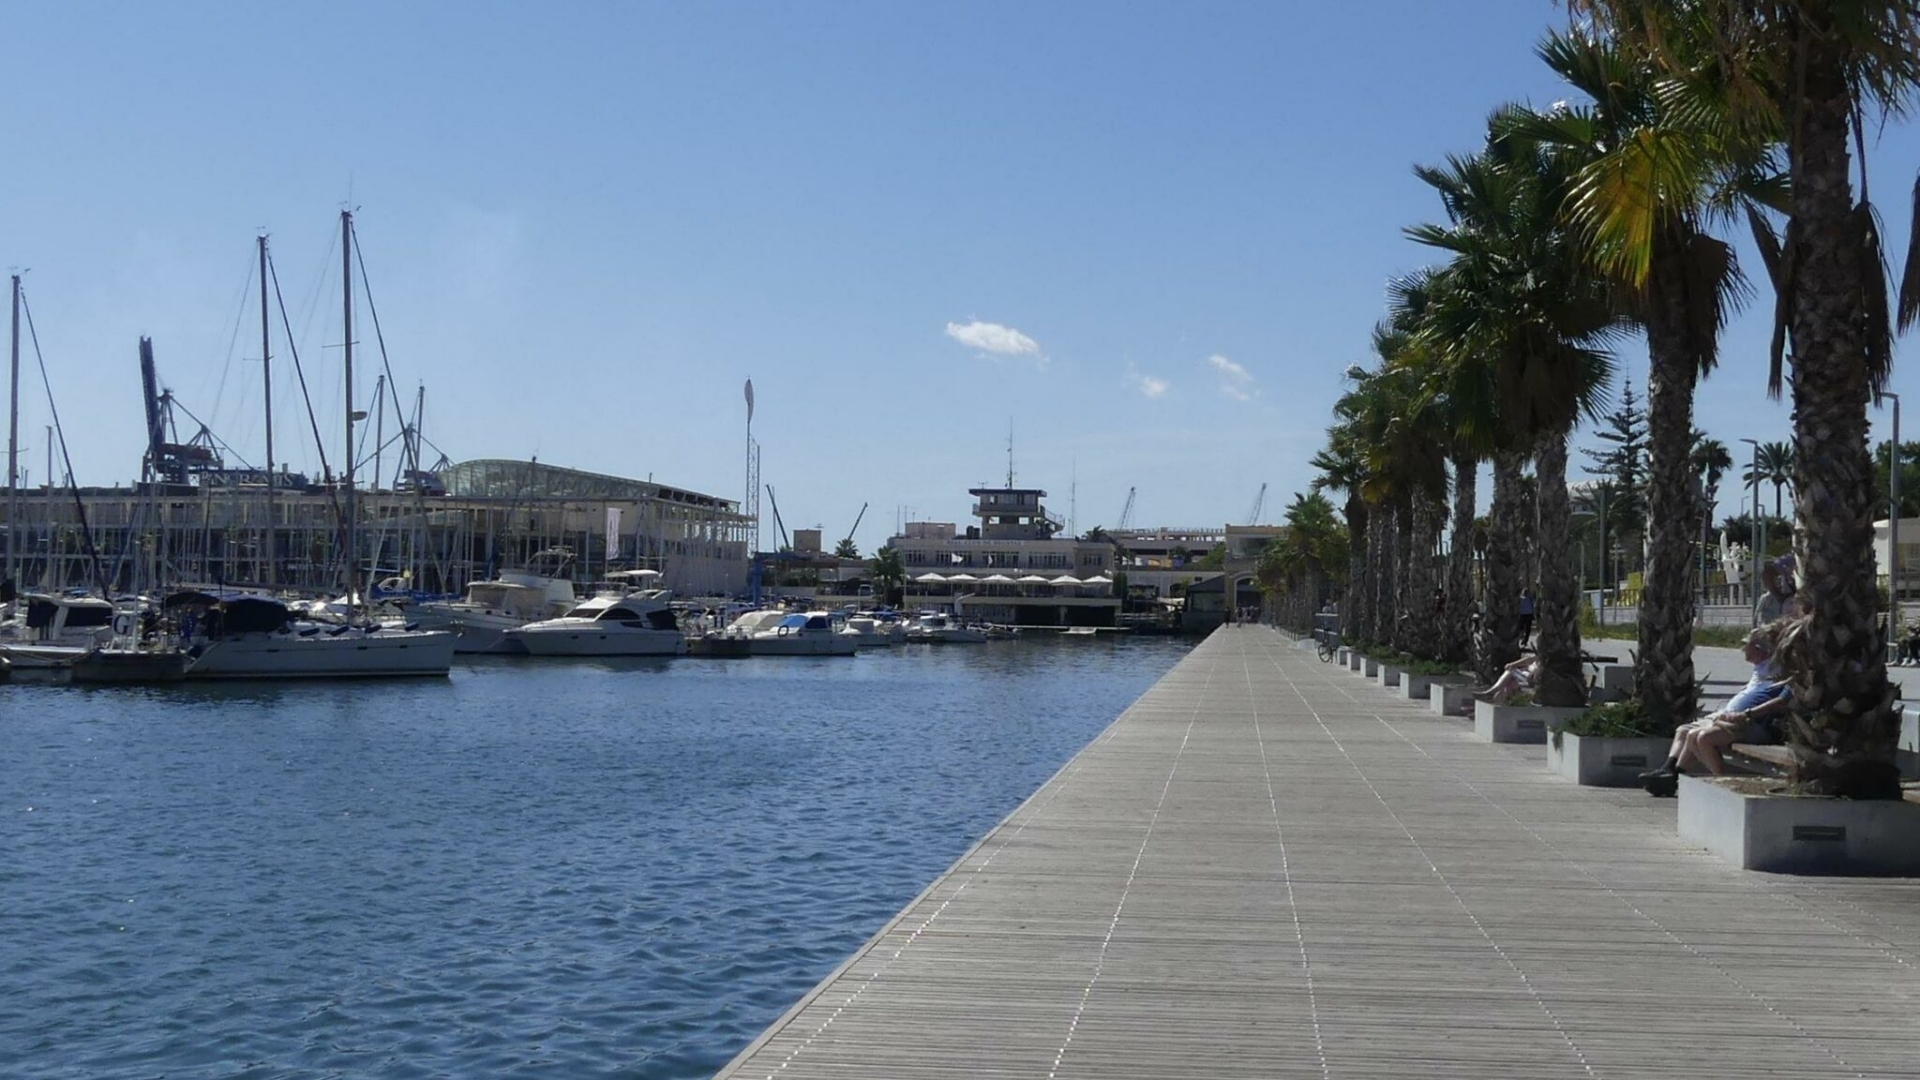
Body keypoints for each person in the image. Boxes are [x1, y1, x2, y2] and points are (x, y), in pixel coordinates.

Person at [1639, 624, 1791, 796]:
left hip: (1750, 723)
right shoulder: (1762, 670)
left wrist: (1745, 714)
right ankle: (1670, 773)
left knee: (1701, 737)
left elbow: (1780, 702)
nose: (1742, 649)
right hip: (1732, 718)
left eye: (1746, 646)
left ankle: (1722, 784)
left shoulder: (1783, 673)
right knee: (1685, 731)